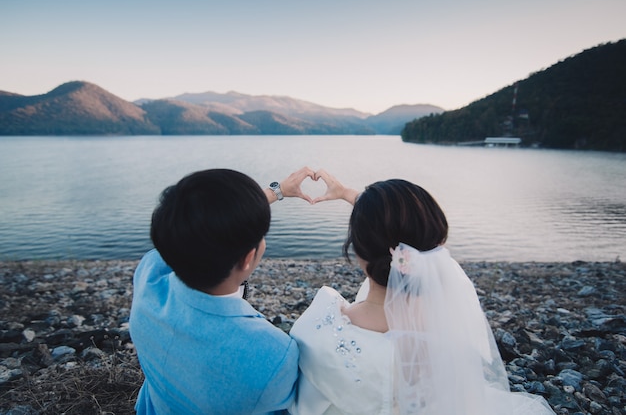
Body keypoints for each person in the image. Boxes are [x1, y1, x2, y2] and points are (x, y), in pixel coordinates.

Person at [289, 171, 555, 414]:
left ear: (357, 250)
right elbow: (406, 237)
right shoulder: (451, 314)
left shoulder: (321, 329)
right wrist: (350, 194)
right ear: (436, 249)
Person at [129, 167, 316, 415]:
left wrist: (276, 192)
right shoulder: (273, 353)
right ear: (248, 258)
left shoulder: (149, 278)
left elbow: (190, 229)